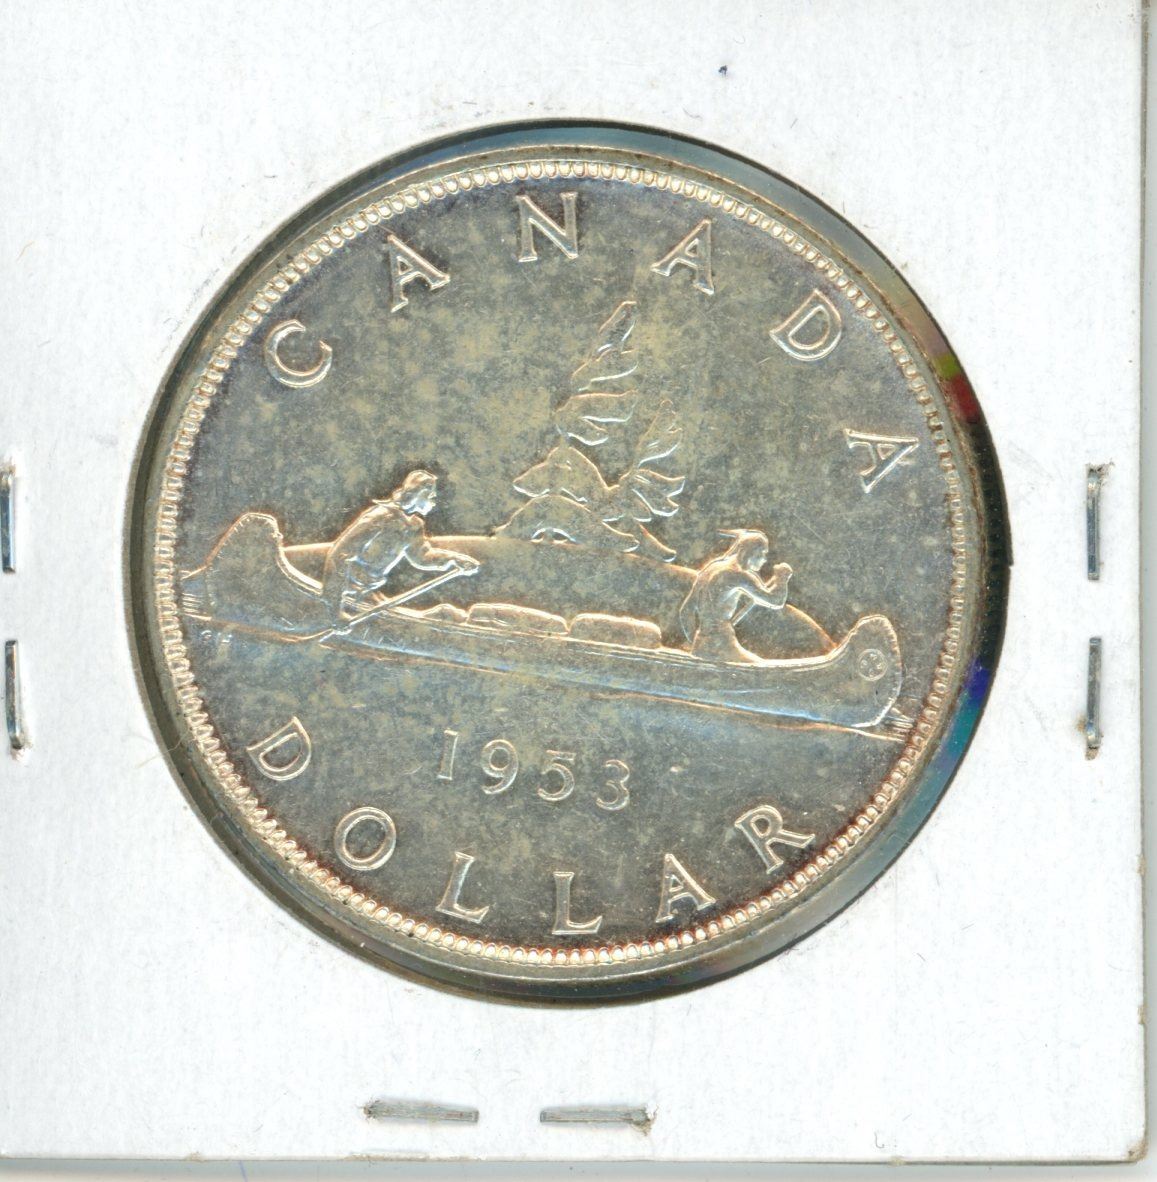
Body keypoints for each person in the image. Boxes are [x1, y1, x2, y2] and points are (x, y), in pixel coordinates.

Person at [321, 470, 478, 619]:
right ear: (420, 494)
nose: (434, 502)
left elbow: (423, 556)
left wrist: (456, 559)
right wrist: (335, 610)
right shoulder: (380, 517)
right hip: (346, 591)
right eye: (431, 496)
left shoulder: (413, 525)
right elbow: (339, 555)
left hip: (368, 591)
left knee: (437, 613)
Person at [678, 529, 792, 663]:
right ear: (749, 551)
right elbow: (776, 601)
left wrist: (700, 643)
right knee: (763, 669)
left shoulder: (711, 568)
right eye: (762, 553)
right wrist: (782, 578)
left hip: (700, 645)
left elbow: (685, 611)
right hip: (723, 644)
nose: (764, 560)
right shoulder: (739, 575)